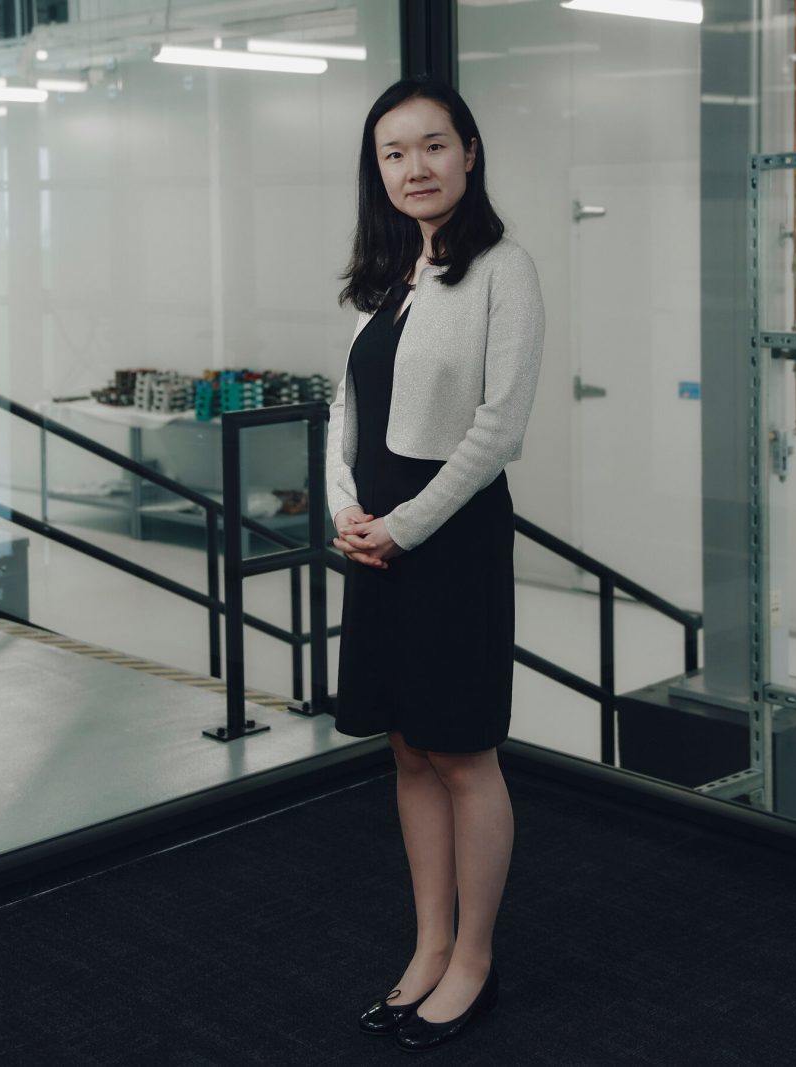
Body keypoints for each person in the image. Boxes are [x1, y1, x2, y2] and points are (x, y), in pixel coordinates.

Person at [326, 76, 544, 1054]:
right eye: (394, 153)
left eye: (433, 145)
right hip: (377, 537)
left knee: (460, 750)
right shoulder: (388, 277)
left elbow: (498, 428)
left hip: (448, 538)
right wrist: (345, 507)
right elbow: (345, 411)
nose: (414, 167)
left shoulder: (504, 268)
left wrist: (403, 526)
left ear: (469, 152)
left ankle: (474, 961)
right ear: (378, 170)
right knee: (407, 748)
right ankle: (429, 946)